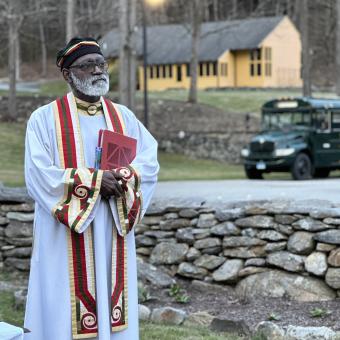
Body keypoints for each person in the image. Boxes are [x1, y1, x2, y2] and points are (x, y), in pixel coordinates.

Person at [24, 37, 159, 340]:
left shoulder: (123, 117)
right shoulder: (44, 119)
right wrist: (96, 182)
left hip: (111, 225)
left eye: (101, 63)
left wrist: (123, 177)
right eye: (87, 65)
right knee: (62, 305)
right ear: (67, 74)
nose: (98, 70)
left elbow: (149, 164)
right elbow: (38, 175)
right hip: (65, 234)